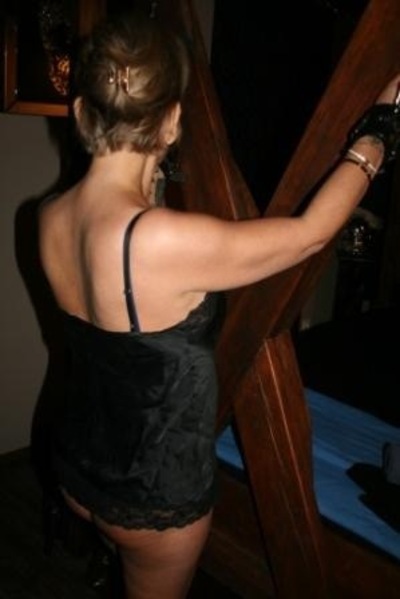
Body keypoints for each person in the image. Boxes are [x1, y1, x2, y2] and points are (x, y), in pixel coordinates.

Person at [38, 7, 400, 599]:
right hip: (152, 500)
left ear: (81, 112)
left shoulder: (47, 218)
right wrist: (380, 132)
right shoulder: (160, 240)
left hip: (76, 466)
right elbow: (310, 234)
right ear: (173, 122)